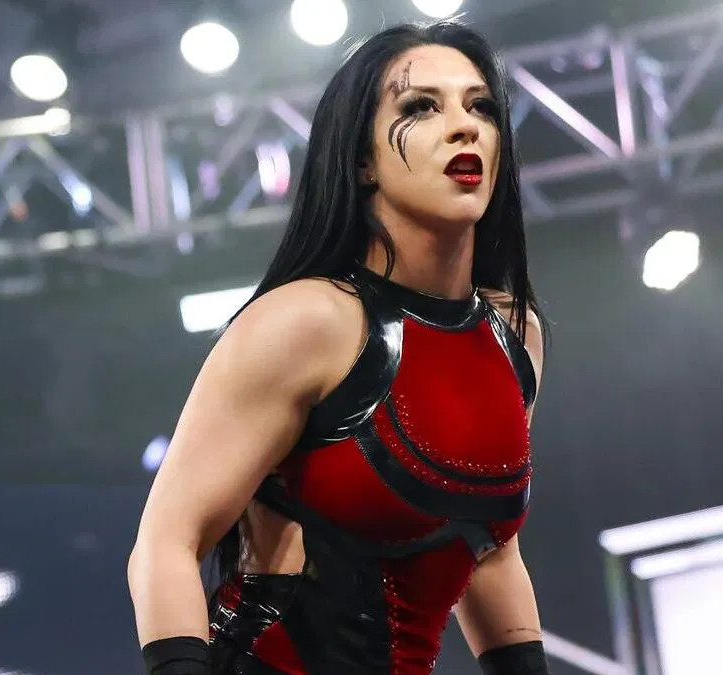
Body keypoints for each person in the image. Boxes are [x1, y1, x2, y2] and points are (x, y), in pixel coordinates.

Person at [128, 20, 548, 675]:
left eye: (481, 107)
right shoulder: (306, 322)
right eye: (422, 107)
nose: (465, 127)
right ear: (361, 160)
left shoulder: (514, 337)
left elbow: (492, 553)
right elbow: (167, 541)